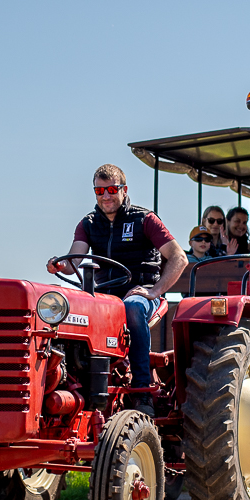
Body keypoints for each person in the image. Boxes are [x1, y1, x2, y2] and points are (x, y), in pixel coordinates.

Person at [46, 164, 187, 416]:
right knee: (63, 307)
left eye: (112, 189)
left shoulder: (144, 219)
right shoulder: (89, 223)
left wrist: (154, 291)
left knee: (132, 307)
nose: (106, 195)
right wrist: (60, 265)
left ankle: (142, 391)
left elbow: (179, 258)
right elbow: (73, 262)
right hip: (106, 295)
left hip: (140, 293)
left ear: (124, 190)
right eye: (100, 190)